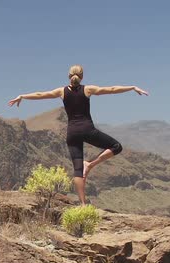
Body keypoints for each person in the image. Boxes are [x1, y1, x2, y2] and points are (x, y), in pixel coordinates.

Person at [8, 64, 149, 206]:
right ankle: (90, 164)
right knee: (116, 146)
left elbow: (40, 95)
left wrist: (22, 96)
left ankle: (82, 204)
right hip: (88, 130)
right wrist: (132, 87)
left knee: (77, 170)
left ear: (69, 76)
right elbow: (111, 89)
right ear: (82, 77)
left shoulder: (61, 91)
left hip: (72, 133)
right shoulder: (87, 89)